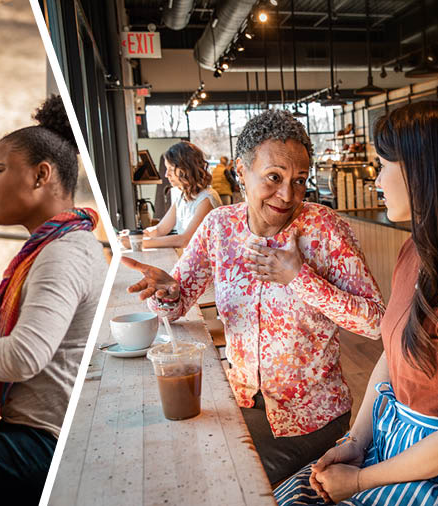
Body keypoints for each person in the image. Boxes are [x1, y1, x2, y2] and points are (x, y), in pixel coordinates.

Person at [123, 109, 385, 485]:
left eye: (299, 180)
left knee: (229, 482)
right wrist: (165, 292)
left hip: (311, 417)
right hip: (241, 402)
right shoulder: (219, 226)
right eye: (274, 177)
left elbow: (377, 322)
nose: (288, 195)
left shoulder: (325, 229)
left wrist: (299, 279)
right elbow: (176, 303)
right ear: (241, 173)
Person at [276, 100, 438, 505]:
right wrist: (356, 442)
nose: (376, 180)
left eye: (382, 165)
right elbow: (390, 356)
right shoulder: (414, 249)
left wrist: (360, 481)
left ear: (421, 170)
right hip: (391, 441)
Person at [0, 95, 106, 503]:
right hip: (36, 433)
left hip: (48, 444)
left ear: (40, 175)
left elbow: (23, 356)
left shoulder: (63, 253)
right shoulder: (57, 245)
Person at [122, 141, 222, 249]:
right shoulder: (182, 196)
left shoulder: (206, 199)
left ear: (187, 169)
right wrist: (136, 236)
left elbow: (185, 240)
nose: (166, 175)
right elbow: (160, 230)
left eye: (171, 169)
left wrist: (139, 243)